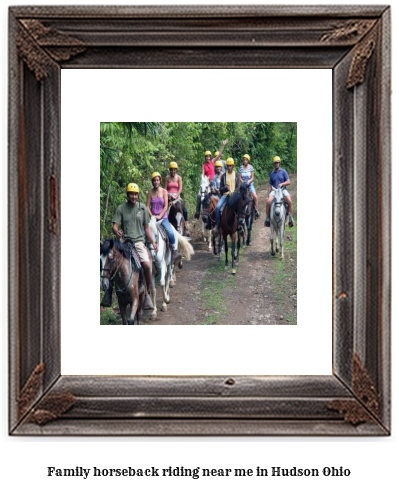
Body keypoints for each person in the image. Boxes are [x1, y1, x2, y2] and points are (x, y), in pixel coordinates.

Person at [101, 183, 157, 310]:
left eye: (136, 194)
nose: (133, 196)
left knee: (147, 265)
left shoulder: (142, 208)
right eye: (131, 194)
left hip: (138, 243)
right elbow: (115, 226)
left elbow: (146, 228)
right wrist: (116, 231)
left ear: (138, 195)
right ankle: (108, 294)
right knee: (111, 264)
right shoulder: (121, 208)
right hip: (124, 242)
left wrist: (153, 242)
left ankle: (147, 292)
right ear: (127, 195)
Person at [146, 172, 182, 264]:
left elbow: (166, 206)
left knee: (170, 232)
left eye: (157, 180)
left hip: (163, 217)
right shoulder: (150, 193)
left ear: (160, 181)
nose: (156, 182)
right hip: (153, 218)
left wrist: (160, 216)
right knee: (144, 233)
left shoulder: (164, 192)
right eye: (154, 180)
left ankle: (174, 251)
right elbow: (147, 207)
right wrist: (152, 216)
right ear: (152, 181)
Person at [195, 138, 228, 218]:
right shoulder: (204, 165)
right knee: (199, 196)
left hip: (214, 182)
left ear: (210, 157)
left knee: (217, 195)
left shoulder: (213, 162)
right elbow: (203, 175)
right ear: (205, 157)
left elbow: (219, 155)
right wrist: (203, 181)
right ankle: (198, 211)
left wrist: (223, 145)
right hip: (207, 183)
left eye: (209, 156)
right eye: (206, 157)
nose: (208, 158)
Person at [264, 156, 295, 227]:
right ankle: (267, 218)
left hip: (283, 190)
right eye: (275, 163)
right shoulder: (272, 173)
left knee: (290, 201)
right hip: (274, 191)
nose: (276, 164)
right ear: (273, 164)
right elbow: (269, 185)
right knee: (268, 202)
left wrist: (282, 184)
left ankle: (290, 219)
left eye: (277, 162)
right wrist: (268, 195)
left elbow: (288, 182)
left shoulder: (283, 172)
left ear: (279, 163)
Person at [213, 157, 240, 236]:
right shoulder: (224, 176)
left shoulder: (236, 175)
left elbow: (238, 187)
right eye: (228, 166)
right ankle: (217, 226)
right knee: (218, 208)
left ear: (233, 166)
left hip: (234, 196)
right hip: (225, 196)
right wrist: (225, 188)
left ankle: (240, 225)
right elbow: (221, 189)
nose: (229, 167)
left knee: (240, 208)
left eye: (231, 165)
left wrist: (234, 193)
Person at [164, 161, 189, 234]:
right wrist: (168, 195)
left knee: (184, 210)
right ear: (170, 170)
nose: (173, 171)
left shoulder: (179, 178)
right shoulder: (167, 178)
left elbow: (180, 188)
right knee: (164, 208)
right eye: (172, 169)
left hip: (177, 196)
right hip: (169, 196)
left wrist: (176, 195)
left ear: (176, 170)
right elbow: (165, 188)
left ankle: (186, 225)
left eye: (174, 169)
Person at [239, 154, 259, 218]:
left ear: (248, 160)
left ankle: (256, 210)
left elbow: (252, 177)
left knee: (255, 197)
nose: (245, 161)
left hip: (250, 185)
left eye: (246, 160)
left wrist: (249, 181)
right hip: (243, 185)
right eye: (244, 160)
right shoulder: (241, 168)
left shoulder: (251, 167)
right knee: (238, 197)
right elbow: (240, 177)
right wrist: (243, 182)